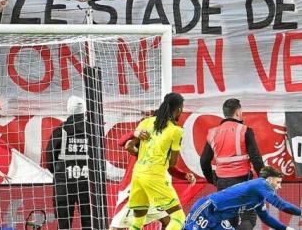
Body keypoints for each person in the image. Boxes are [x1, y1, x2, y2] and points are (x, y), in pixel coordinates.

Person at [184, 166, 302, 230]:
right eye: (278, 182)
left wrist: (286, 229)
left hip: (218, 220)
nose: (279, 187)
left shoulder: (258, 199)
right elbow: (281, 205)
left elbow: (266, 218)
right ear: (269, 180)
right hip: (207, 209)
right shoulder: (261, 184)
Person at [110, 131, 197, 230]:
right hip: (133, 190)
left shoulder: (164, 149)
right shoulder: (146, 140)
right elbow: (122, 143)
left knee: (170, 220)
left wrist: (184, 175)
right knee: (116, 227)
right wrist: (135, 133)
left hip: (155, 191)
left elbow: (170, 167)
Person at [200, 98, 265, 230]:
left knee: (229, 220)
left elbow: (204, 160)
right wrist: (264, 180)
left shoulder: (213, 133)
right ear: (238, 112)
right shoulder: (245, 130)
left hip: (222, 182)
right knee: (248, 217)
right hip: (243, 181)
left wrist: (212, 180)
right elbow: (256, 158)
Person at [125, 92, 186, 230]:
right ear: (179, 110)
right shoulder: (176, 131)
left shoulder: (146, 122)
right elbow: (172, 163)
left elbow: (129, 146)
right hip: (155, 175)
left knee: (138, 220)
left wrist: (142, 155)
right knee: (179, 217)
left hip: (138, 174)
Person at [44, 96, 91, 230]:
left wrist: (60, 171)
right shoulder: (93, 131)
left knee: (64, 224)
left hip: (64, 183)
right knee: (89, 223)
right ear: (85, 111)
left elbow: (49, 159)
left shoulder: (60, 131)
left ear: (69, 110)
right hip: (87, 183)